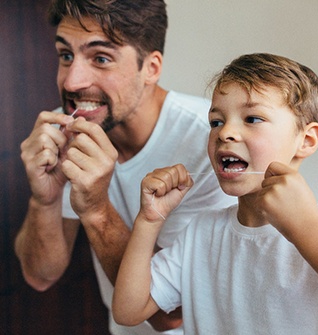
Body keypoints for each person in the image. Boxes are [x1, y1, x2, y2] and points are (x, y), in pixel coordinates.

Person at [14, 1, 235, 334]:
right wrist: (44, 199)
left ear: (151, 68)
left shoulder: (212, 144)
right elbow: (40, 275)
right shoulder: (66, 136)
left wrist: (96, 210)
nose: (72, 82)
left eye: (100, 58)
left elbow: (170, 314)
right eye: (65, 55)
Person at [112, 53, 318, 334]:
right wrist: (149, 220)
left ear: (306, 140)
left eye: (252, 118)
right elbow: (128, 310)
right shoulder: (201, 233)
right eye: (216, 122)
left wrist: (307, 227)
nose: (225, 132)